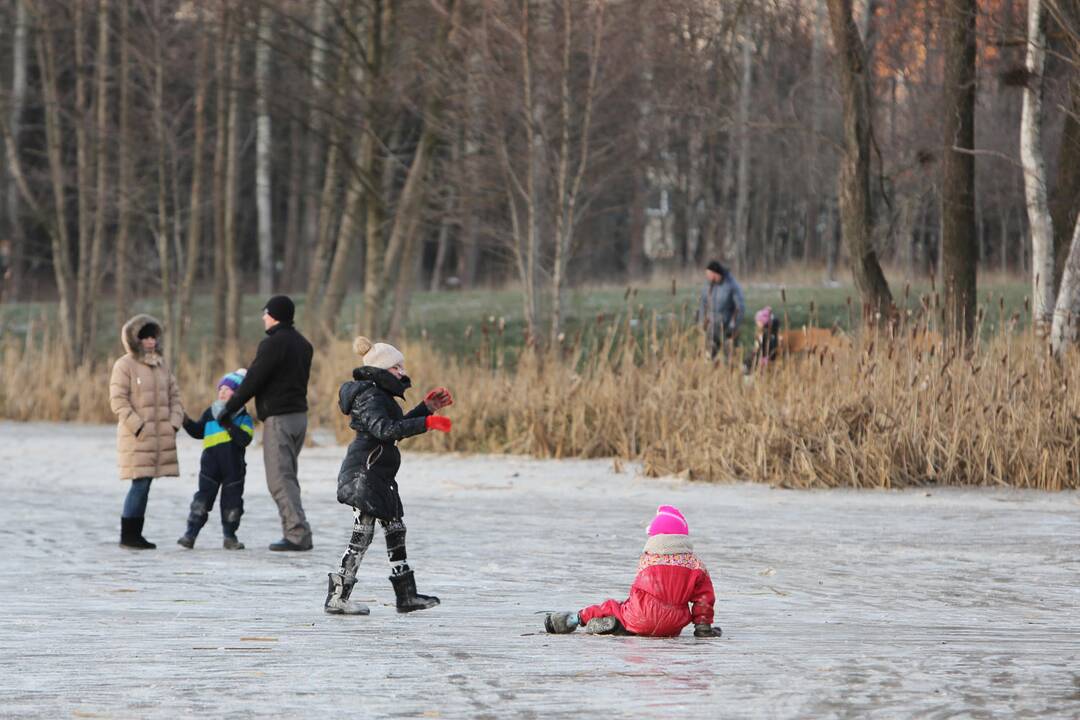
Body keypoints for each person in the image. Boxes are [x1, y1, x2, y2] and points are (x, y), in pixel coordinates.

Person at [324, 336, 453, 616]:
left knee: (395, 529)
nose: (403, 372)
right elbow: (384, 430)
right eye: (397, 367)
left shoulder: (379, 395)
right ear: (382, 369)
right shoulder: (369, 395)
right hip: (364, 474)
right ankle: (338, 597)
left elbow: (395, 425)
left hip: (378, 475)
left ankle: (406, 596)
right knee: (362, 535)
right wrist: (426, 423)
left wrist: (426, 410)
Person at [221, 295, 315, 552]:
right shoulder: (304, 345)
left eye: (266, 313)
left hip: (280, 419)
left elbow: (253, 380)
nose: (263, 317)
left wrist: (228, 409)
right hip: (299, 418)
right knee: (288, 476)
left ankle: (297, 534)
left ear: (274, 315)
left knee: (279, 479)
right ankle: (297, 530)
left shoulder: (273, 344)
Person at [544, 506, 722, 638]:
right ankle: (620, 627)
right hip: (672, 626)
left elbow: (637, 593)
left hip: (640, 616)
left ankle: (572, 620)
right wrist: (703, 628)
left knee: (613, 607)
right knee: (647, 618)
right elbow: (704, 599)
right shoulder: (696, 565)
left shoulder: (648, 559)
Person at [109, 314, 184, 550]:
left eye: (153, 337)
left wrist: (173, 423)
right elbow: (118, 400)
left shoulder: (161, 365)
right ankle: (129, 535)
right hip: (137, 437)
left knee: (146, 484)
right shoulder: (124, 365)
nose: (150, 342)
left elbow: (175, 396)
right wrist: (138, 426)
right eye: (145, 338)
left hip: (160, 436)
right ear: (135, 340)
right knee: (140, 483)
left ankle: (135, 534)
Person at [177, 370, 255, 550]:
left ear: (238, 394)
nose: (222, 392)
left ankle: (230, 536)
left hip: (233, 470)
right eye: (221, 388)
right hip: (210, 468)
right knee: (202, 500)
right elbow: (198, 432)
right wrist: (186, 421)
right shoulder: (210, 412)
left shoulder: (244, 417)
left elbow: (245, 439)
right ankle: (190, 534)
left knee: (232, 503)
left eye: (228, 389)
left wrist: (227, 423)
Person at [699, 260, 746, 360]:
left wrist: (733, 326)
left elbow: (740, 307)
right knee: (709, 357)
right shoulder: (708, 285)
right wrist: (702, 321)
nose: (707, 277)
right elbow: (703, 304)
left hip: (728, 328)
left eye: (709, 274)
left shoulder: (731, 285)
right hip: (711, 328)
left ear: (716, 274)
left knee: (729, 358)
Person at [745, 306, 781, 374]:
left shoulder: (764, 336)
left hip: (764, 361)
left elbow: (760, 349)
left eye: (758, 321)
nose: (757, 323)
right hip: (766, 360)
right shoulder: (773, 335)